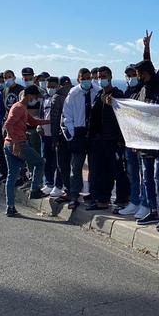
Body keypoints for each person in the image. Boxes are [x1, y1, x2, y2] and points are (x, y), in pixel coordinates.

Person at [131, 60, 159, 231]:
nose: (139, 77)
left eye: (140, 74)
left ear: (148, 72)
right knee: (147, 179)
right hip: (144, 142)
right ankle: (152, 211)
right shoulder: (142, 90)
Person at [3, 85, 51, 217]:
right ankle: (35, 189)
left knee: (11, 177)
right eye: (35, 97)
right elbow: (8, 124)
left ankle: (10, 207)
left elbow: (34, 122)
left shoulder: (21, 107)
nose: (35, 99)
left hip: (8, 144)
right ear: (29, 95)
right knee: (40, 162)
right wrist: (17, 144)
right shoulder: (19, 108)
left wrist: (51, 121)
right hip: (17, 144)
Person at [87, 67, 126, 211]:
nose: (101, 79)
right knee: (101, 171)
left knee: (117, 171)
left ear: (110, 77)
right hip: (99, 140)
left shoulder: (117, 94)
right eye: (98, 77)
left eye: (103, 76)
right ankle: (102, 200)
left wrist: (114, 105)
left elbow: (124, 115)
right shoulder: (98, 94)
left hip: (114, 140)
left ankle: (122, 200)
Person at [61, 68, 92, 210]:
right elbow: (67, 117)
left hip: (93, 133)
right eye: (83, 78)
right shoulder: (73, 94)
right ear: (78, 79)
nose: (86, 80)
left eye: (88, 77)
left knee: (95, 167)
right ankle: (74, 195)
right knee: (76, 166)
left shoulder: (96, 91)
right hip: (78, 133)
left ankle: (93, 194)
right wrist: (72, 135)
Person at [120, 65, 149, 218]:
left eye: (133, 74)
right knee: (132, 173)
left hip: (141, 139)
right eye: (128, 75)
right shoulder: (127, 92)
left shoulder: (143, 91)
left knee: (145, 173)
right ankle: (134, 201)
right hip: (129, 139)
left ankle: (145, 203)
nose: (131, 78)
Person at [49, 76, 73, 203]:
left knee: (62, 165)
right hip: (75, 135)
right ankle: (73, 190)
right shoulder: (76, 93)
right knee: (73, 165)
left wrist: (54, 139)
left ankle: (69, 190)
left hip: (62, 135)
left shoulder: (57, 97)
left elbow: (55, 119)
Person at [39, 77, 60, 196]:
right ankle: (48, 183)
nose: (50, 88)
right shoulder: (45, 99)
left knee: (57, 162)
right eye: (49, 86)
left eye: (53, 86)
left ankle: (58, 185)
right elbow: (41, 114)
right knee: (46, 159)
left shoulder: (60, 99)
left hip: (55, 135)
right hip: (45, 135)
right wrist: (39, 127)